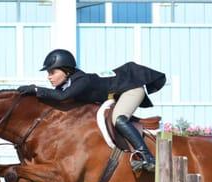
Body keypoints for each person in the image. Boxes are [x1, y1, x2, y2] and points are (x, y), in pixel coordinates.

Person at [17, 49, 166, 173]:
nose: (49, 77)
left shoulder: (81, 80)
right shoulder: (67, 83)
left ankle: (148, 158)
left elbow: (63, 97)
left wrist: (36, 89)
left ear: (66, 71)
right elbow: (58, 98)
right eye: (48, 73)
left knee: (119, 118)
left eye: (52, 72)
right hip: (116, 92)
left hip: (131, 88)